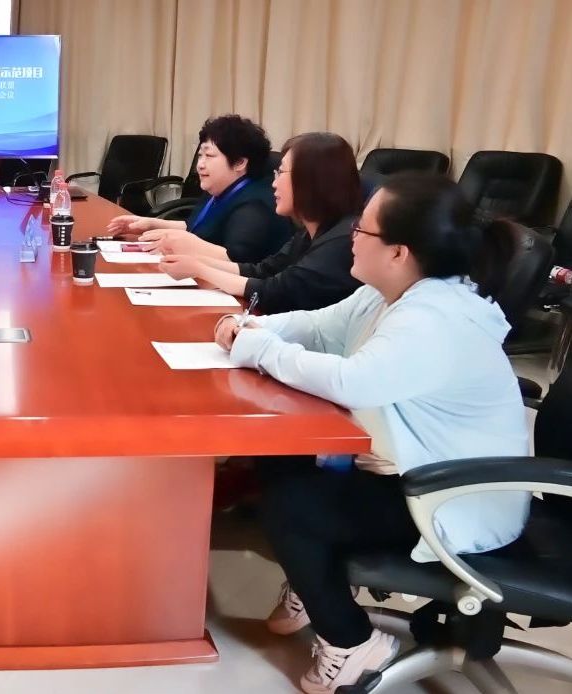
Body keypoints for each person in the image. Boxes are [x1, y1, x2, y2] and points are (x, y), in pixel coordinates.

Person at [216, 172, 529, 693]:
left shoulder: (436, 319)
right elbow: (320, 325)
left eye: (363, 228)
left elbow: (352, 381)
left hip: (454, 497)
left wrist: (257, 349)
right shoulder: (394, 293)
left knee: (294, 506)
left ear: (399, 252)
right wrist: (251, 326)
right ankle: (314, 584)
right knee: (280, 459)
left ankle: (352, 643)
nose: (352, 236)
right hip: (419, 471)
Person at [157, 132, 364, 314]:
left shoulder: (341, 241)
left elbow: (274, 291)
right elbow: (262, 271)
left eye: (281, 172)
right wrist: (195, 262)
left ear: (311, 180)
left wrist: (200, 269)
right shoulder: (308, 232)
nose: (274, 183)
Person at [107, 115, 291, 263]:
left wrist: (183, 243)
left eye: (209, 156)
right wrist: (149, 224)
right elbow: (197, 227)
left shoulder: (254, 206)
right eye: (200, 155)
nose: (200, 165)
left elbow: (235, 259)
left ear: (239, 163)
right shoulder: (219, 189)